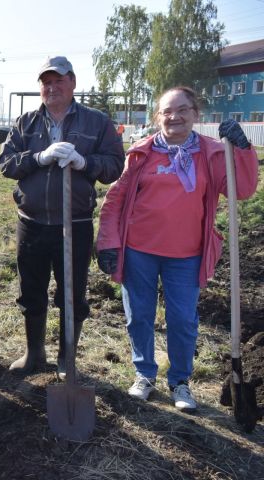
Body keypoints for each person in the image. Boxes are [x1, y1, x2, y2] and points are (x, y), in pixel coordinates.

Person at [96, 86, 259, 411]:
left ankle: (180, 382)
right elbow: (114, 201)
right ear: (158, 117)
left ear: (196, 114)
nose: (175, 117)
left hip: (187, 255)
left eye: (183, 109)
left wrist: (241, 149)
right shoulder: (141, 154)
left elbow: (242, 189)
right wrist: (108, 243)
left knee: (183, 319)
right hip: (139, 251)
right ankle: (144, 374)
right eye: (168, 111)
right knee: (138, 315)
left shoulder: (213, 153)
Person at [0, 56, 125, 377]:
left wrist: (85, 162)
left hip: (75, 224)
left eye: (59, 81)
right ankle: (34, 354)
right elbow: (5, 163)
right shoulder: (26, 123)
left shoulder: (96, 122)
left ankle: (67, 359)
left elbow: (114, 165)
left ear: (73, 83)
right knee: (32, 290)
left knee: (72, 292)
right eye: (46, 82)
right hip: (32, 222)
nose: (52, 87)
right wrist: (39, 157)